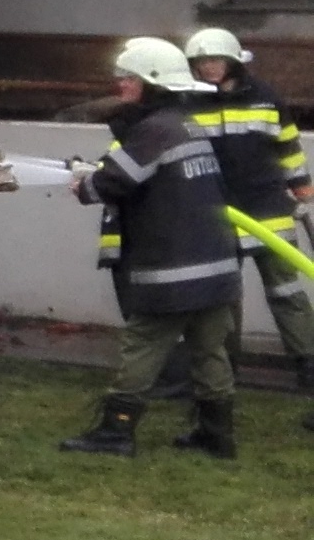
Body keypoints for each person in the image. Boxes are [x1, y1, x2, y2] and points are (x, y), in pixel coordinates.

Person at [63, 35, 243, 458]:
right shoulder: (185, 124)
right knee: (210, 351)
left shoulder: (155, 130)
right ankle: (216, 435)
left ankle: (115, 432)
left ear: (153, 82)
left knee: (142, 345)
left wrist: (84, 184)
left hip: (173, 270)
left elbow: (113, 182)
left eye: (129, 78)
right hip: (216, 265)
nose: (121, 85)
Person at [183, 26, 314, 404]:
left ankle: (308, 361)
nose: (208, 67)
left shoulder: (265, 98)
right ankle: (224, 369)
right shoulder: (187, 101)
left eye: (215, 60)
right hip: (217, 212)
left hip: (268, 209)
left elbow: (288, 145)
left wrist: (302, 188)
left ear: (233, 62)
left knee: (286, 290)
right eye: (201, 61)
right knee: (225, 296)